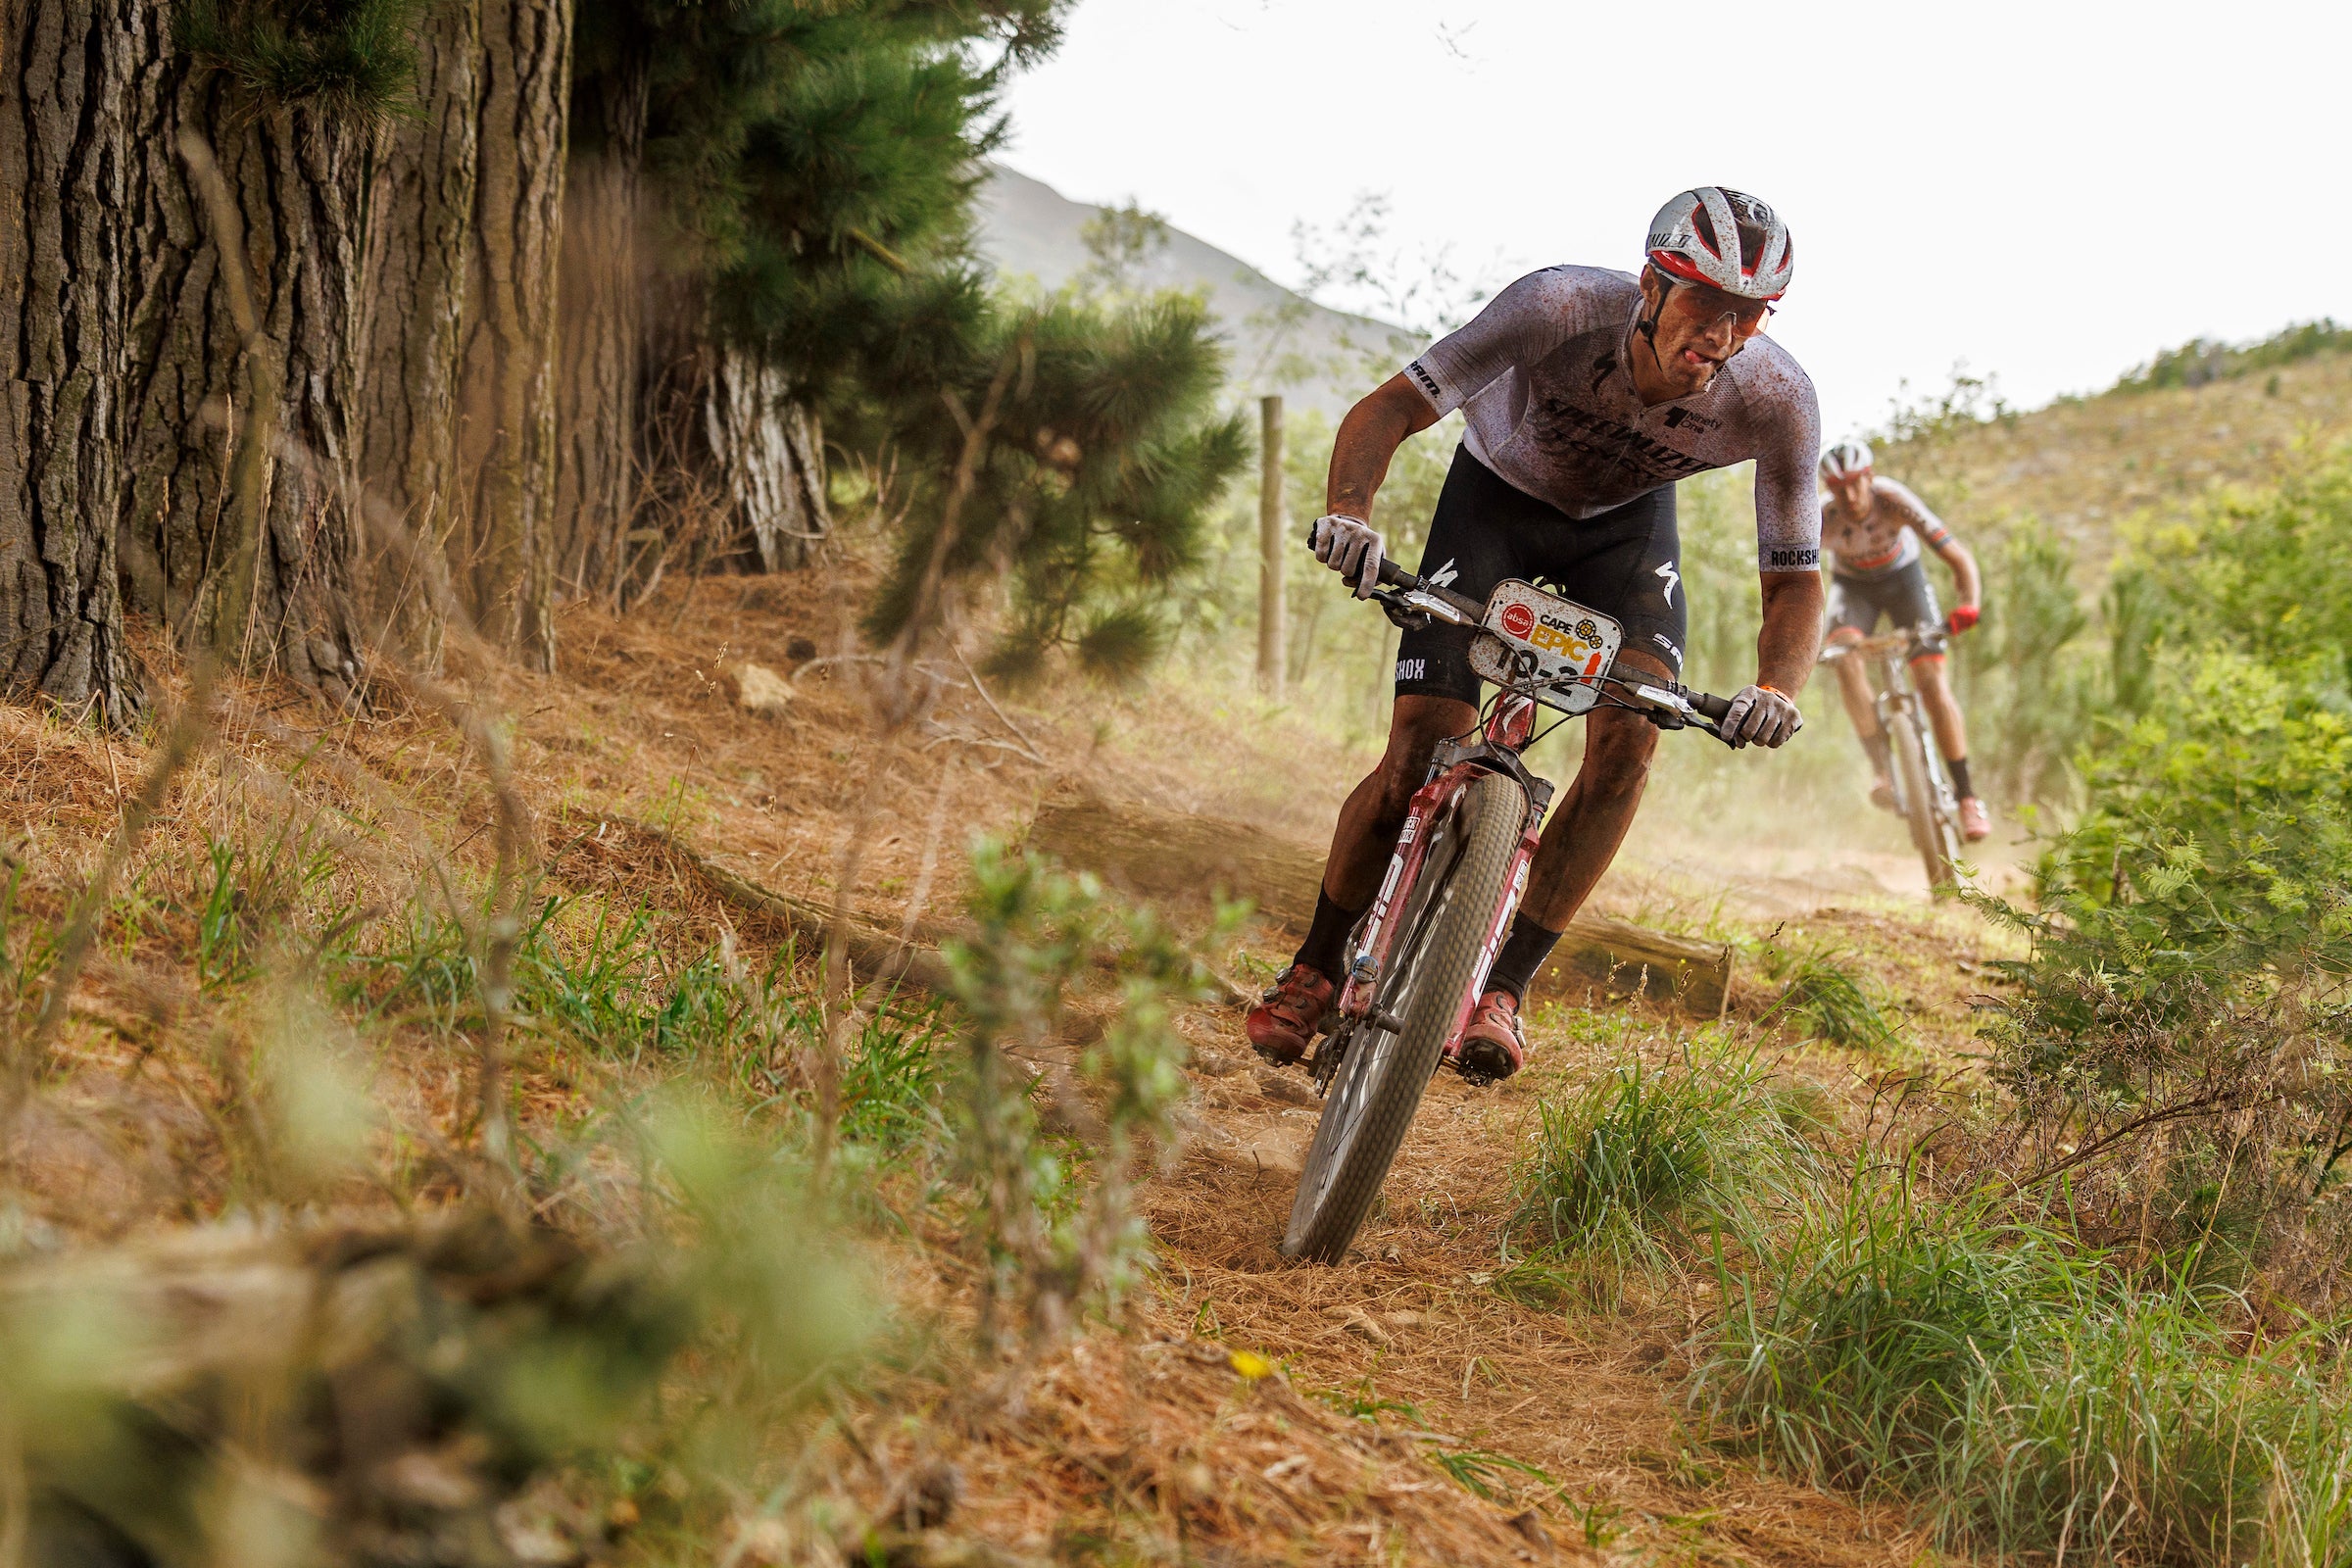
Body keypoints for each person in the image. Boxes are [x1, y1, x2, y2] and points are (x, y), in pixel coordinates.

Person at [1246, 187, 1823, 1082]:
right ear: (1651, 285)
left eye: (1748, 315)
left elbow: (1791, 577)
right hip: (1494, 504)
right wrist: (1349, 516)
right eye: (1706, 302)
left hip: (1625, 537)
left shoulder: (1779, 398)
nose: (1722, 333)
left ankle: (1504, 988)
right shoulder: (1556, 306)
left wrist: (1777, 689)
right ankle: (1316, 966)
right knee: (1417, 749)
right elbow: (1392, 406)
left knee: (1632, 743)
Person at [1814, 440, 1990, 842]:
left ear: (1871, 478)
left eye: (1857, 483)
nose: (1850, 495)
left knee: (1931, 681)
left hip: (1904, 581)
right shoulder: (1822, 518)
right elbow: (1797, 578)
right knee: (1843, 657)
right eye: (1839, 487)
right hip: (1853, 588)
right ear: (1829, 487)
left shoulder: (1893, 500)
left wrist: (1969, 605)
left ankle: (1967, 797)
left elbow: (1958, 557)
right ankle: (1883, 770)